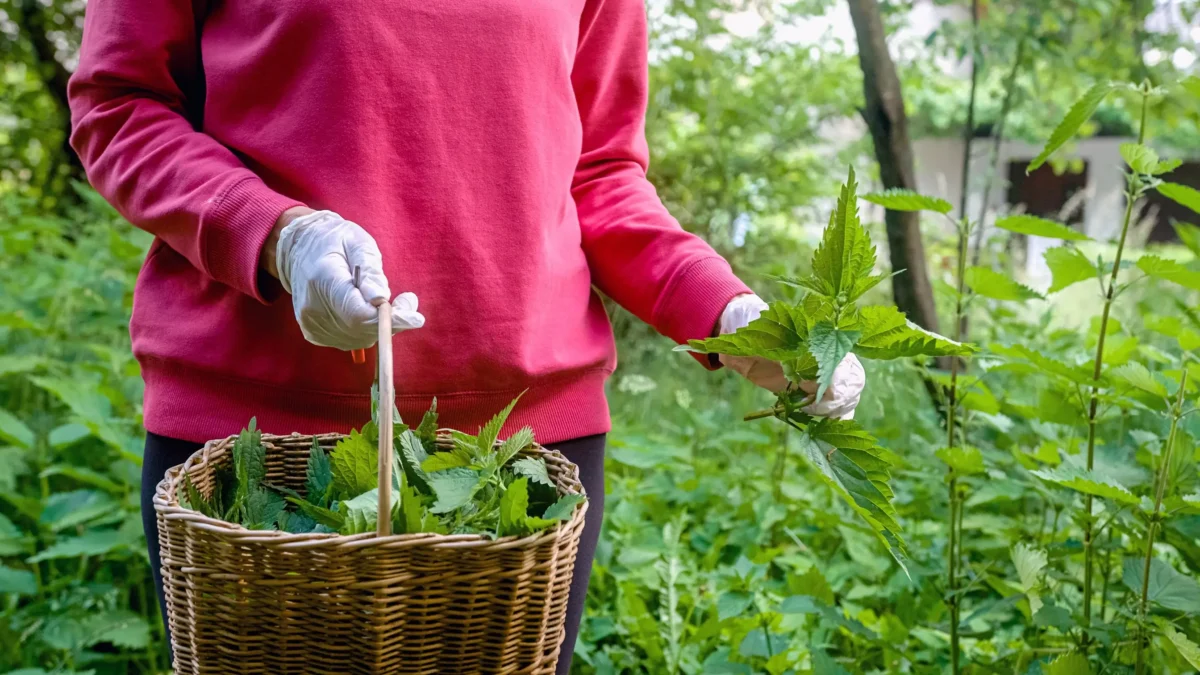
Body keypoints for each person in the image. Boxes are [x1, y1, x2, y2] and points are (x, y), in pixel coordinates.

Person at [67, 1, 865, 671]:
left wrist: (725, 312)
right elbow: (118, 106)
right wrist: (279, 237)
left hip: (519, 456)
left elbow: (599, 174)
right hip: (259, 442)